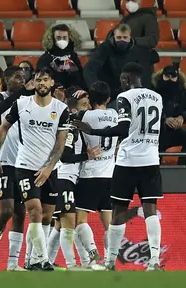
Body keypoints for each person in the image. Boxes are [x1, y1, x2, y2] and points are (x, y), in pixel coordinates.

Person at [74, 62, 163, 271]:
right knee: (150, 210)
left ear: (127, 79)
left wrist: (95, 132)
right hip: (151, 159)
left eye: (123, 79)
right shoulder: (157, 97)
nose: (121, 83)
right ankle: (155, 260)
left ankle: (110, 261)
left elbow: (123, 128)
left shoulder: (125, 98)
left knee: (119, 211)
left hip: (128, 161)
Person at [0, 68, 69, 271]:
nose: (42, 83)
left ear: (52, 83)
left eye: (45, 80)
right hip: (25, 166)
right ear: (33, 84)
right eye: (38, 80)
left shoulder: (61, 109)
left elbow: (60, 145)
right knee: (34, 210)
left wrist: (49, 168)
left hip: (50, 170)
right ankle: (42, 259)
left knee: (46, 216)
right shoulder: (21, 104)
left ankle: (31, 259)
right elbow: (3, 129)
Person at [53, 91, 107, 270]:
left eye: (88, 103)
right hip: (64, 178)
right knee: (68, 223)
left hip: (73, 179)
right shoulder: (71, 128)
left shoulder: (78, 127)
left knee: (63, 224)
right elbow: (64, 156)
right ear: (74, 109)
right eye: (84, 105)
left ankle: (43, 259)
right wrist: (87, 155)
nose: (89, 107)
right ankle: (72, 264)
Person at [0, 66, 27, 271]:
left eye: (23, 77)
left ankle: (12, 262)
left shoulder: (27, 101)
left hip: (24, 162)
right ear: (6, 79)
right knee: (7, 210)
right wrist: (21, 92)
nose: (21, 80)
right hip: (3, 161)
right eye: (17, 77)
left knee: (20, 212)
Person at [74, 81, 118, 268]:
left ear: (90, 100)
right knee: (108, 223)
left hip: (90, 174)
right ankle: (110, 261)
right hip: (111, 175)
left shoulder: (85, 115)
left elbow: (70, 119)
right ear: (108, 99)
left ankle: (93, 253)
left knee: (79, 220)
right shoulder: (115, 115)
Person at [84, 24, 158, 106]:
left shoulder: (137, 51)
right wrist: (97, 90)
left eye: (125, 37)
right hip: (108, 93)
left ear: (130, 38)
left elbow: (144, 75)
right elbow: (90, 69)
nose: (122, 40)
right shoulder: (104, 48)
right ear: (114, 37)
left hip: (129, 93)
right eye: (119, 37)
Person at [153, 65, 186, 165]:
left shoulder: (184, 93)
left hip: (175, 130)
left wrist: (182, 117)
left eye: (173, 76)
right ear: (162, 76)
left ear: (177, 77)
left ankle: (181, 167)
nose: (170, 79)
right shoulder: (154, 92)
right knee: (156, 151)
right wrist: (164, 119)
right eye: (167, 76)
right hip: (158, 132)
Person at [37, 24, 86, 90]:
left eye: (65, 38)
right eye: (58, 38)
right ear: (52, 39)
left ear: (69, 38)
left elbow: (81, 79)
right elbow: (41, 81)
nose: (62, 40)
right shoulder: (45, 58)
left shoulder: (73, 56)